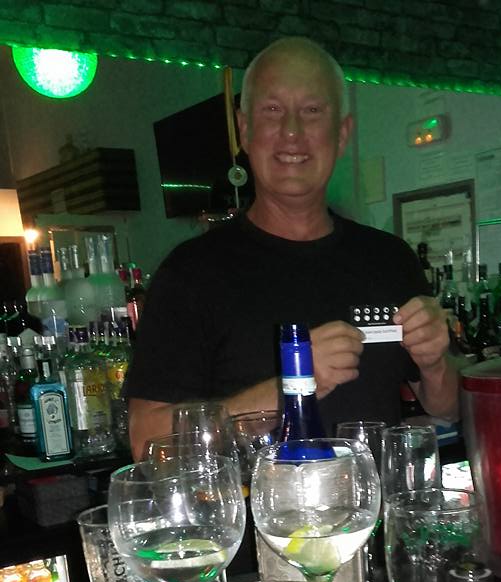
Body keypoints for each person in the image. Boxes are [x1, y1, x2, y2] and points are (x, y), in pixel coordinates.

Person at [125, 37, 459, 460]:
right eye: (272, 110)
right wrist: (292, 384)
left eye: (312, 111)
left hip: (373, 504)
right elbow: (146, 441)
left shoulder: (390, 258)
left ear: (342, 134)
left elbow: (447, 407)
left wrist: (434, 363)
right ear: (244, 130)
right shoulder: (190, 273)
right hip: (253, 505)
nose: (292, 132)